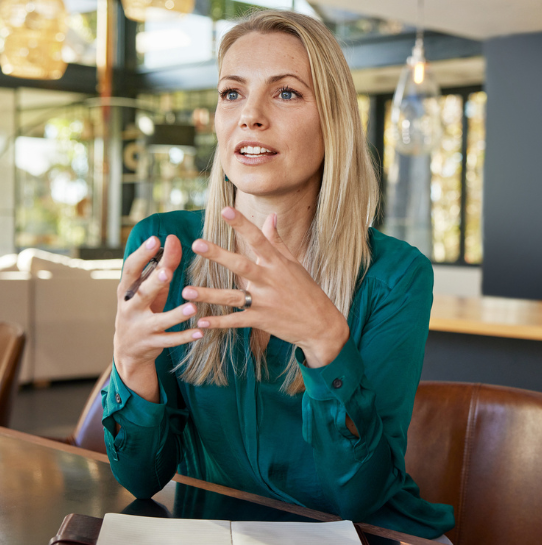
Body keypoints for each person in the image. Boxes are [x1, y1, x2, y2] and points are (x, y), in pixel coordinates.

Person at [102, 9, 455, 543]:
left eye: (286, 93)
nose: (250, 115)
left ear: (332, 120)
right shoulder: (163, 249)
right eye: (232, 93)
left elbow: (355, 498)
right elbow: (143, 479)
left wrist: (325, 339)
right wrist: (130, 365)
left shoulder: (395, 275)